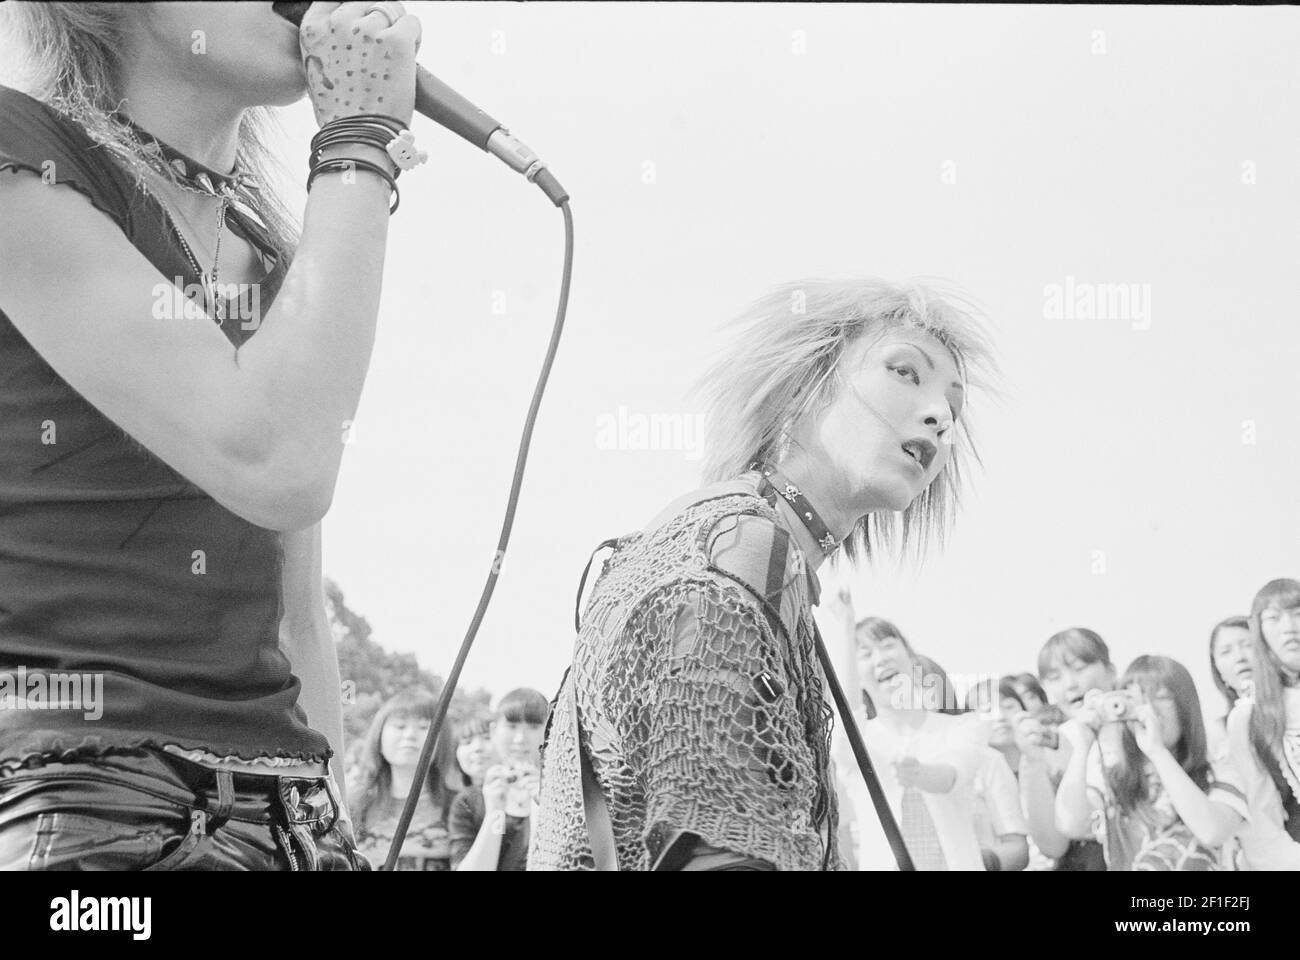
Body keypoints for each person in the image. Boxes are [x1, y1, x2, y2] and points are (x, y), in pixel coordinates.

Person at [0, 1, 422, 870]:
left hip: (287, 815)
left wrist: (331, 823)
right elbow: (276, 459)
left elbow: (297, 606)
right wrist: (359, 144)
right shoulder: (16, 155)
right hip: (87, 801)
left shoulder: (264, 253)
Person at [530, 278, 994, 871]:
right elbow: (718, 851)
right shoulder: (740, 547)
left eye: (953, 408)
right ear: (804, 389)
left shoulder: (759, 554)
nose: (939, 417)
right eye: (904, 372)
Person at [834, 617, 988, 870]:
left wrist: (919, 774)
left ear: (913, 660)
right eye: (865, 653)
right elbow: (845, 720)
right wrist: (845, 623)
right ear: (856, 677)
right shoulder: (859, 744)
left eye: (887, 646)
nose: (880, 659)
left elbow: (952, 775)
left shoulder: (963, 727)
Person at [1013, 628, 1114, 871]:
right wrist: (1032, 761)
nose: (1070, 684)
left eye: (1079, 668)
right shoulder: (1052, 744)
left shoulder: (1142, 733)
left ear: (1110, 670)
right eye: (1055, 677)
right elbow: (1052, 845)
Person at [1225, 578, 1300, 869]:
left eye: (1297, 613)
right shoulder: (1248, 717)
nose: (1289, 627)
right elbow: (1265, 815)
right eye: (1274, 617)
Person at [348, 688, 460, 872]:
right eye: (400, 726)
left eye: (424, 727)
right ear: (379, 737)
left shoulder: (460, 805)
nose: (410, 735)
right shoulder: (353, 806)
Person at [449, 688, 549, 871]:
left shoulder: (566, 793)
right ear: (494, 731)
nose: (520, 739)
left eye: (533, 727)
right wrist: (495, 812)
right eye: (512, 726)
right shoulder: (469, 802)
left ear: (549, 732)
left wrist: (544, 805)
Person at [964, 677, 1031, 871]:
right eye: (987, 710)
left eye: (1009, 706)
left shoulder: (1047, 765)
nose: (1000, 716)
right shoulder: (973, 776)